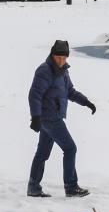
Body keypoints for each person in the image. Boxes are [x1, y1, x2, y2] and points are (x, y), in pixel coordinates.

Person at [27, 40, 96, 198]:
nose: (61, 61)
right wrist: (35, 117)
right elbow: (34, 95)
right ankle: (71, 187)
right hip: (50, 118)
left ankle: (33, 187)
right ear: (52, 55)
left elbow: (69, 91)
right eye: (58, 57)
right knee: (70, 148)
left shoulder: (63, 71)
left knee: (42, 153)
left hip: (51, 117)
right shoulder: (44, 71)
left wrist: (86, 102)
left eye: (64, 58)